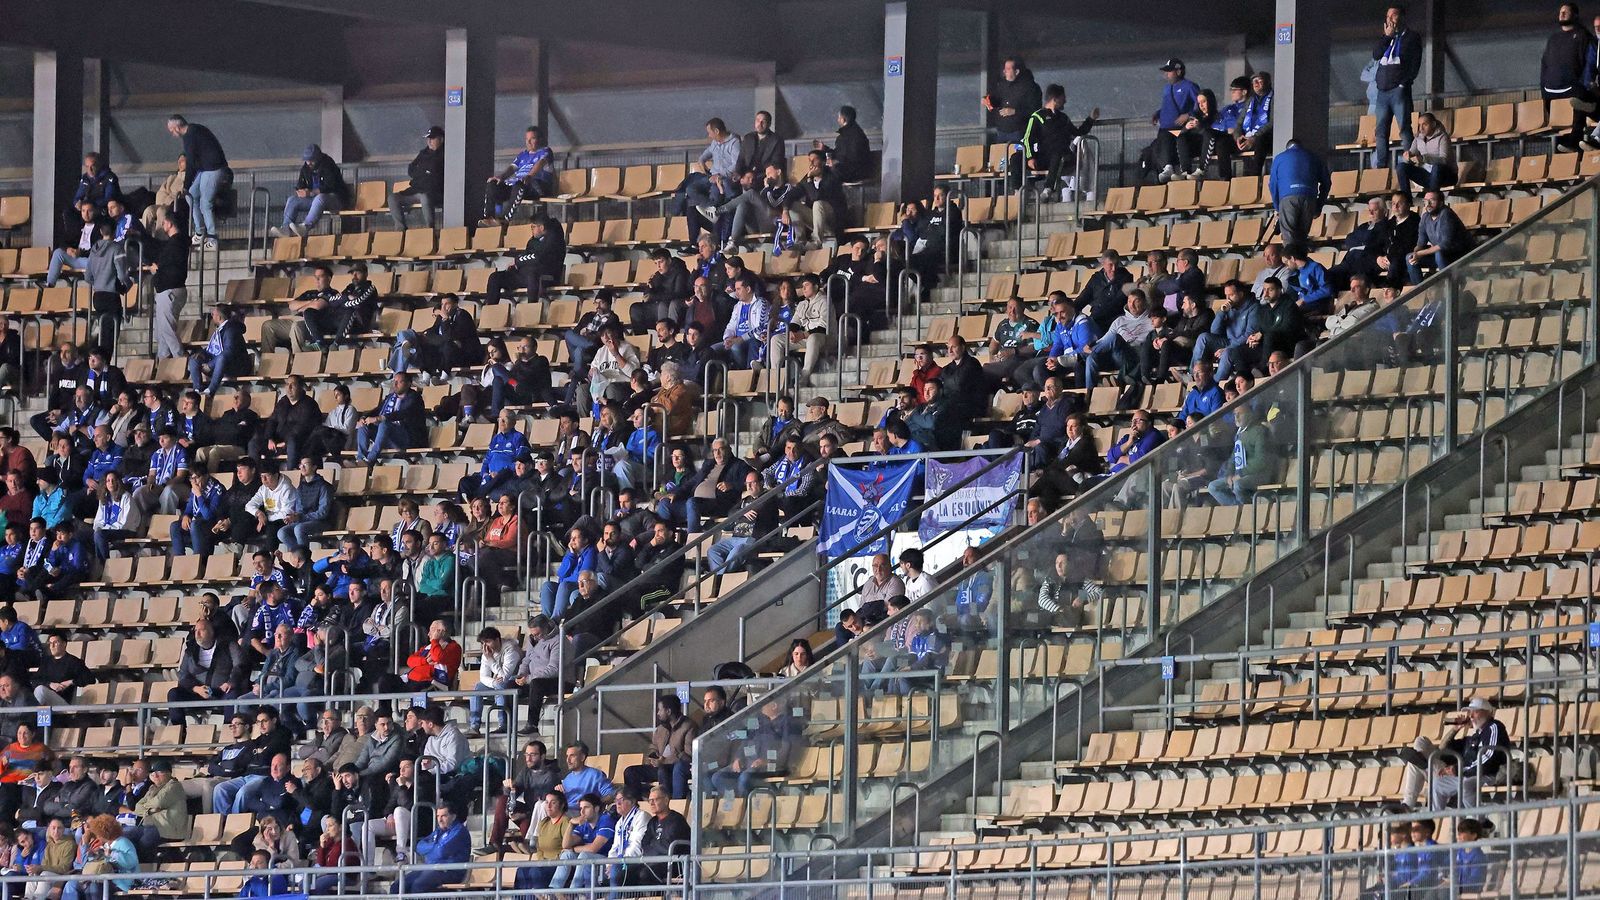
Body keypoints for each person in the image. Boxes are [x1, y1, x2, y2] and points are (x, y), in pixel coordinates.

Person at [1402, 697, 1512, 809]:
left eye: (1476, 712)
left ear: (1488, 713)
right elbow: (1443, 750)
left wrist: (1457, 770)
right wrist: (1455, 729)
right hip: (1460, 770)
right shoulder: (1474, 738)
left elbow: (1488, 758)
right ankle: (1433, 817)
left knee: (1415, 762)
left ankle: (1409, 802)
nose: (1471, 716)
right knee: (1420, 743)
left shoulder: (1494, 727)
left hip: (1482, 774)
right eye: (1470, 712)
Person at [1017, 83, 1097, 198]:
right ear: (1055, 99)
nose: (1065, 101)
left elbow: (1078, 132)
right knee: (1016, 158)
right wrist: (1030, 157)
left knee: (1058, 154)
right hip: (1045, 157)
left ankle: (1048, 189)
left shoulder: (1063, 118)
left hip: (1063, 157)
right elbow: (1027, 138)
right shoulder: (1038, 116)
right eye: (1063, 98)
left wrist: (1091, 119)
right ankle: (1020, 191)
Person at [1371, 5, 1423, 170]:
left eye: (1393, 15)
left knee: (1404, 129)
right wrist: (1387, 37)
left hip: (1399, 90)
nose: (1390, 19)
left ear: (1401, 17)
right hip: (1382, 91)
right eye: (1388, 16)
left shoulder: (1412, 37)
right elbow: (1376, 55)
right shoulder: (1386, 37)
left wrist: (1404, 83)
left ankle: (1409, 162)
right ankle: (1381, 168)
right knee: (1380, 131)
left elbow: (1415, 63)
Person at [166, 115, 228, 248]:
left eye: (171, 130)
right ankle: (200, 232)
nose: (171, 134)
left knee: (206, 203)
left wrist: (186, 185)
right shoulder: (194, 130)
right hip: (206, 169)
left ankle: (212, 238)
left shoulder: (190, 136)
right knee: (192, 196)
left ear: (177, 127)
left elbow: (191, 163)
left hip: (212, 169)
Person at [623, 695, 696, 800]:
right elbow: (654, 746)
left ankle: (668, 803)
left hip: (677, 767)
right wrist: (653, 756)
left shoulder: (689, 726)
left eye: (659, 710)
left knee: (663, 770)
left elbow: (688, 756)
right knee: (630, 772)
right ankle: (636, 806)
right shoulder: (661, 728)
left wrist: (664, 761)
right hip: (660, 765)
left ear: (668, 711)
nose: (658, 713)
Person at [486, 215, 566, 306]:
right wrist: (516, 264)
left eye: (533, 227)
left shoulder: (554, 241)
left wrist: (517, 261)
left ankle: (531, 308)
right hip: (525, 275)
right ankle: (490, 310)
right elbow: (527, 255)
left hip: (546, 276)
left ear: (542, 227)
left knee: (532, 273)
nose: (531, 230)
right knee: (495, 277)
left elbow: (538, 258)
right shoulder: (532, 241)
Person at [272, 143, 348, 237]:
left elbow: (331, 186)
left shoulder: (328, 164)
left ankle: (305, 227)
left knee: (320, 198)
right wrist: (300, 191)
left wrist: (311, 192)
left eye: (312, 160)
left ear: (318, 158)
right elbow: (300, 184)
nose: (309, 163)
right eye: (307, 160)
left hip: (335, 199)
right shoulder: (306, 168)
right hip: (314, 199)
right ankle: (285, 228)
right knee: (292, 200)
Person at [707, 470, 776, 573]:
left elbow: (759, 510)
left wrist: (740, 513)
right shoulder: (745, 500)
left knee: (736, 551)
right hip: (736, 537)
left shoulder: (768, 497)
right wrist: (743, 512)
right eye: (747, 484)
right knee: (712, 550)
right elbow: (731, 513)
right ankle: (720, 575)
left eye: (752, 483)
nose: (748, 487)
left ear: (761, 483)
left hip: (754, 539)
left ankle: (720, 577)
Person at [482, 126, 554, 224]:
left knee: (519, 184)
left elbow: (540, 163)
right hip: (517, 186)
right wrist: (501, 177)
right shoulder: (523, 154)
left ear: (540, 139)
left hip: (536, 186)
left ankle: (504, 219)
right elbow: (512, 168)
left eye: (532, 139)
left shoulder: (546, 151)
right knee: (492, 184)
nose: (528, 142)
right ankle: (489, 218)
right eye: (527, 139)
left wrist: (529, 176)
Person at [392, 805, 470, 895]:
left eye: (444, 816)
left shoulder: (459, 831)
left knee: (418, 885)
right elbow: (419, 847)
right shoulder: (438, 831)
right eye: (438, 816)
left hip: (449, 870)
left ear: (453, 817)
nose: (440, 820)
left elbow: (441, 852)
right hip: (431, 868)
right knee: (397, 886)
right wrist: (435, 846)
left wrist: (430, 850)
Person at [1268, 139, 1331, 249]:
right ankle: (1301, 263)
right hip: (1309, 197)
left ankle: (1292, 263)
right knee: (1302, 239)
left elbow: (1273, 185)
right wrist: (1319, 206)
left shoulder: (1279, 158)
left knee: (1289, 240)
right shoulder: (1314, 157)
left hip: (1288, 198)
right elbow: (1327, 183)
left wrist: (1277, 208)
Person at [1206, 403, 1272, 506]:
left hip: (1259, 474)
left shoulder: (1259, 431)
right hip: (1239, 474)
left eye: (1239, 414)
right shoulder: (1239, 433)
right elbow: (1233, 457)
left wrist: (1240, 474)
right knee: (1212, 487)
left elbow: (1261, 461)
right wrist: (1229, 474)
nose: (1236, 417)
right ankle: (1238, 508)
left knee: (1238, 485)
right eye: (1234, 414)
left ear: (1249, 414)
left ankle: (1246, 510)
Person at [145, 212, 190, 360]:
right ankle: (163, 360)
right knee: (161, 331)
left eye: (164, 222)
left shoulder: (175, 244)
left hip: (169, 290)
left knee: (166, 329)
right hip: (172, 289)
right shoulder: (178, 244)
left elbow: (170, 268)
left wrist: (157, 271)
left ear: (170, 224)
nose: (162, 225)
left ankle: (181, 359)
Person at [1148, 59, 1200, 182]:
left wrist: (1188, 115)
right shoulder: (1167, 88)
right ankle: (1167, 167)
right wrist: (1158, 113)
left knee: (1174, 140)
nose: (1166, 74)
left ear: (1178, 71)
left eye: (1169, 71)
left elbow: (1200, 104)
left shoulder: (1189, 86)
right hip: (1165, 127)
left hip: (1180, 129)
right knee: (1160, 142)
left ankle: (1180, 169)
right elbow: (1168, 106)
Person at [1409, 189, 1473, 284]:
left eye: (1432, 201)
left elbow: (1444, 245)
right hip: (1441, 255)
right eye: (1426, 201)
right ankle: (1419, 291)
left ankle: (1450, 286)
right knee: (1409, 257)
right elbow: (1421, 242)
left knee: (1439, 253)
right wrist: (1415, 254)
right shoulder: (1425, 217)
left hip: (1459, 254)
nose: (1428, 204)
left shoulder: (1446, 214)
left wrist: (1420, 254)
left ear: (1441, 203)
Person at [390, 126, 444, 229]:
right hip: (415, 190)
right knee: (393, 198)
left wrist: (424, 172)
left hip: (433, 192)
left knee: (425, 197)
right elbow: (411, 168)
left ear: (441, 139)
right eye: (428, 139)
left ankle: (430, 229)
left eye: (432, 139)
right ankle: (401, 231)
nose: (429, 141)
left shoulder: (445, 154)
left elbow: (436, 174)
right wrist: (424, 172)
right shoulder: (423, 153)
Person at [1397, 112, 1457, 195]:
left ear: (1433, 124)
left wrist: (1424, 158)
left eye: (1424, 125)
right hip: (1428, 176)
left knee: (1437, 167)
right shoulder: (1418, 138)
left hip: (1446, 176)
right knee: (1401, 167)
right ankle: (1407, 201)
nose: (1421, 128)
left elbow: (1444, 160)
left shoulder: (1443, 137)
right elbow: (1411, 153)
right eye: (1419, 125)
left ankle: (1432, 199)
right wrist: (1407, 157)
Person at [814, 105, 873, 183]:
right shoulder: (849, 133)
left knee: (823, 170)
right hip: (848, 168)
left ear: (843, 119)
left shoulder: (855, 136)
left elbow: (853, 158)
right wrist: (824, 148)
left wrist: (836, 162)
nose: (838, 120)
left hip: (855, 172)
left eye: (839, 117)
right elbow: (839, 153)